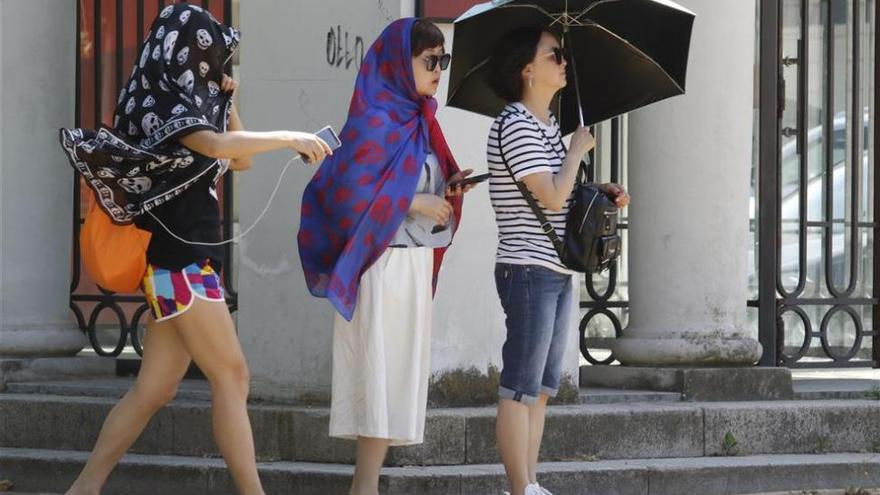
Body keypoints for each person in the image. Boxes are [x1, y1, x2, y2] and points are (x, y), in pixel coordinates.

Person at [59, 4, 331, 494]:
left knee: (154, 390)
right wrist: (289, 136)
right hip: (176, 262)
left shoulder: (187, 101)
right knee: (233, 376)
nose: (211, 67)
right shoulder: (160, 102)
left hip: (186, 261)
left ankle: (84, 488)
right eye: (205, 56)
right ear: (181, 53)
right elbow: (213, 146)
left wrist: (228, 99)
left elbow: (238, 160)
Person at [297, 18, 473, 495]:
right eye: (429, 61)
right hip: (380, 265)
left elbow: (415, 184)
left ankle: (365, 487)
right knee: (378, 375)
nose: (439, 69)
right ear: (400, 63)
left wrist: (448, 190)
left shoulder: (422, 119)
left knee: (393, 378)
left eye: (444, 60)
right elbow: (347, 193)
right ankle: (364, 488)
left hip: (411, 265)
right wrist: (414, 201)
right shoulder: (375, 118)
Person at [485, 26, 630, 495]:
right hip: (526, 268)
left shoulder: (546, 125)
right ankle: (517, 488)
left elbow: (565, 198)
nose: (564, 62)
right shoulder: (514, 122)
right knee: (521, 386)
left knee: (543, 388)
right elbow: (548, 196)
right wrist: (574, 153)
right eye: (555, 55)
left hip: (554, 268)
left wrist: (599, 191)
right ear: (528, 69)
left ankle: (530, 482)